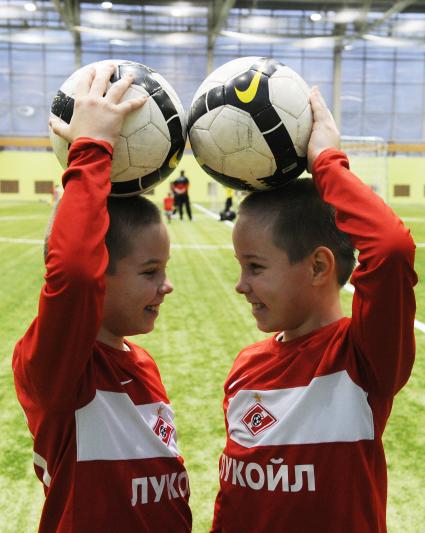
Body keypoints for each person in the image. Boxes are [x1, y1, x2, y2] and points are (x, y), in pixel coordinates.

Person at [210, 86, 417, 533]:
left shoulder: (362, 360)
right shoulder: (247, 366)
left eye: (256, 267)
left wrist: (327, 163)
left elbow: (391, 250)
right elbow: (234, 499)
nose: (241, 285)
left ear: (319, 265)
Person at [12, 65, 192, 532]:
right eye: (151, 272)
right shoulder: (61, 371)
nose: (166, 286)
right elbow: (72, 269)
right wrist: (92, 149)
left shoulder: (142, 362)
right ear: (99, 277)